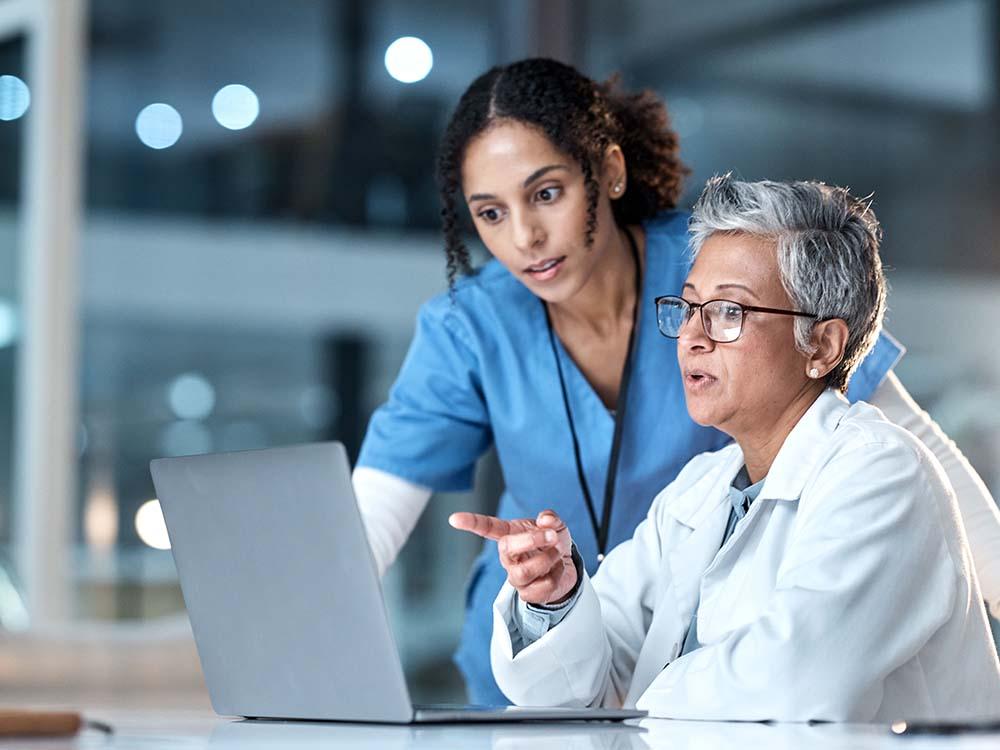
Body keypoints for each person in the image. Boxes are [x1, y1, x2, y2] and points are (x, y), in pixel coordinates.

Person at [354, 58, 1000, 705]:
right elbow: (365, 528)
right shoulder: (475, 327)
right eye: (490, 213)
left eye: (546, 194)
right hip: (587, 658)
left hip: (702, 687)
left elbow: (913, 453)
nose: (524, 237)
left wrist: (636, 704)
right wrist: (555, 599)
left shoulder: (719, 258)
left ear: (606, 171)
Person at [454, 177, 1000, 721]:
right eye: (689, 307)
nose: (693, 335)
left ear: (823, 345)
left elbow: (793, 682)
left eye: (729, 313)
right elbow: (590, 676)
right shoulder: (703, 488)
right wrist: (556, 599)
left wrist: (630, 710)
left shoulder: (882, 475)